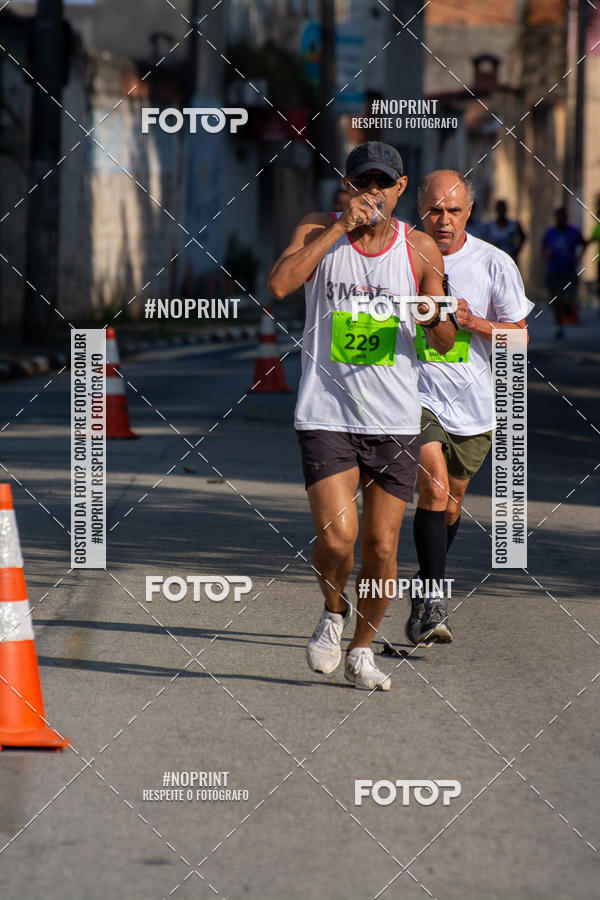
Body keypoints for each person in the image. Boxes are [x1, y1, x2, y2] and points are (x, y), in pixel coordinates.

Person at [268, 142, 455, 690]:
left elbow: (444, 339)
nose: (372, 192)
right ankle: (332, 613)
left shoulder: (419, 249)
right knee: (338, 538)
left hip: (394, 418)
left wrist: (430, 315)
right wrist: (335, 230)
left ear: (400, 189)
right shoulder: (315, 230)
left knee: (380, 548)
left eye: (384, 183)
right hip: (325, 412)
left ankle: (363, 649)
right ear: (346, 187)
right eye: (362, 182)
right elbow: (279, 285)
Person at [403, 169, 534, 646]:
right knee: (434, 488)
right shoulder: (401, 253)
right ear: (420, 209)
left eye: (453, 211)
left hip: (474, 406)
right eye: (434, 210)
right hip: (414, 394)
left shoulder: (494, 263)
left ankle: (423, 588)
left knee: (451, 504)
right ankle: (434, 597)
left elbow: (519, 337)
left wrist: (471, 321)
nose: (443, 220)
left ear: (469, 213)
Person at [542, 207, 586, 338]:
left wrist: (578, 256)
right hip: (553, 271)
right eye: (558, 218)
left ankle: (567, 308)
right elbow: (543, 247)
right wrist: (546, 255)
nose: (561, 220)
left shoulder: (573, 232)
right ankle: (559, 324)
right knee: (556, 298)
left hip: (568, 271)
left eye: (563, 217)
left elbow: (583, 243)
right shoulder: (550, 233)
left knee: (567, 299)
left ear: (566, 218)